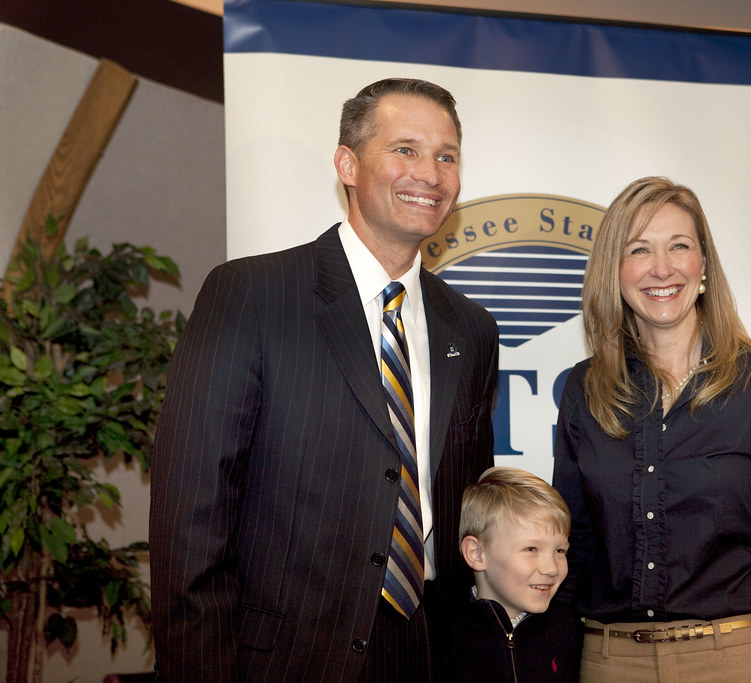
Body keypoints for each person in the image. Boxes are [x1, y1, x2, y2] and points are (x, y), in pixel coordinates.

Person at [149, 78, 499, 682]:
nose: (431, 174)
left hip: (428, 652)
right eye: (405, 150)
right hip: (283, 659)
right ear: (348, 164)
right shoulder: (251, 295)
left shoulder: (470, 328)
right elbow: (191, 516)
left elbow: (469, 508)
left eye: (447, 156)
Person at [552, 176, 751, 682]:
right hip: (609, 662)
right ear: (614, 272)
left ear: (703, 264)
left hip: (736, 659)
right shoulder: (586, 387)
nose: (662, 268)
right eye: (638, 249)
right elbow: (572, 547)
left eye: (679, 246)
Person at [452, 466, 579, 682]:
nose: (551, 568)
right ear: (477, 553)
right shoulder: (444, 637)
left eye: (560, 551)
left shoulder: (566, 631)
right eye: (531, 549)